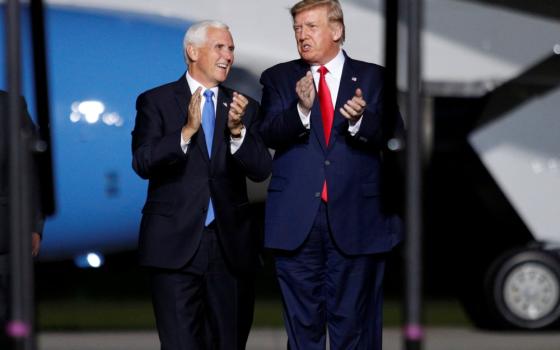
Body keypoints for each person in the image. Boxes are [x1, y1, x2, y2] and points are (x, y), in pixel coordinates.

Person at [259, 1, 404, 349]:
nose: (301, 35)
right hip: (297, 222)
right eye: (297, 28)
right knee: (302, 327)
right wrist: (301, 110)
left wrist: (359, 120)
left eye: (310, 26)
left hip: (358, 219)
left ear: (336, 30)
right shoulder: (279, 78)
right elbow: (266, 132)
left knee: (355, 327)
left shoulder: (374, 78)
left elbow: (394, 135)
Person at [131, 20, 271, 350]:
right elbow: (143, 162)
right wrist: (185, 132)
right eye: (219, 47)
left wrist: (238, 132)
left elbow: (261, 169)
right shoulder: (156, 101)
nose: (228, 56)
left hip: (230, 249)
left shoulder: (243, 107)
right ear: (193, 52)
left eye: (231, 48)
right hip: (174, 247)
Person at [0, 91, 44, 348]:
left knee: (8, 314)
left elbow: (30, 169)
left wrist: (34, 225)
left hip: (5, 231)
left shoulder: (10, 106)